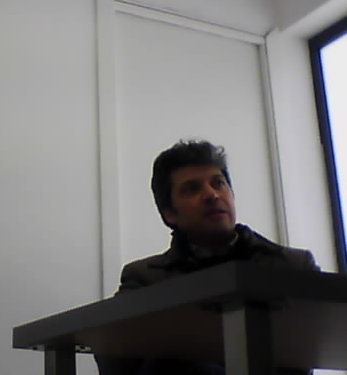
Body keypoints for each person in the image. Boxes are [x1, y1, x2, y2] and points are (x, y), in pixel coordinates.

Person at [95, 140, 319, 375]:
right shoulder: (145, 279)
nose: (212, 195)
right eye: (192, 189)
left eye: (218, 183)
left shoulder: (292, 265)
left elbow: (312, 348)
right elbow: (113, 358)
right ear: (169, 214)